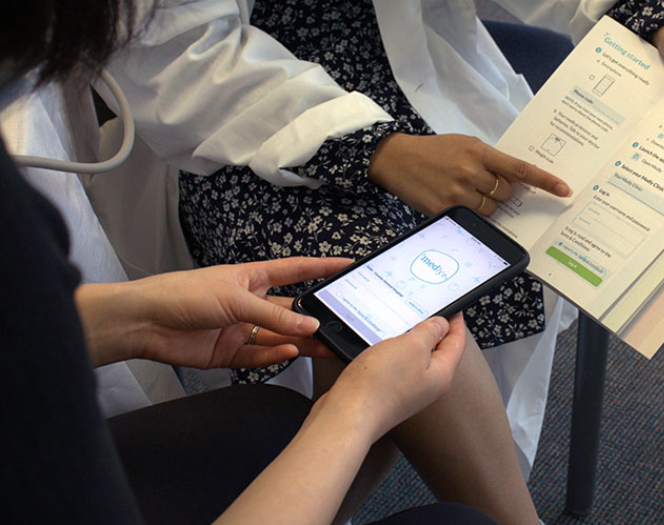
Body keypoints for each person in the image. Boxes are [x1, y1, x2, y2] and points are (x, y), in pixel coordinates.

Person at [99, 0, 664, 476]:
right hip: (246, 116)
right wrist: (376, 149)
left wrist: (655, 15)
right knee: (375, 298)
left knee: (531, 229)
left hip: (420, 61)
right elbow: (176, 48)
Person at [0, 2, 532, 524]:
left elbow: (23, 340)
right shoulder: (20, 235)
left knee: (274, 419)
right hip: (240, 118)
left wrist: (134, 317)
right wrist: (355, 411)